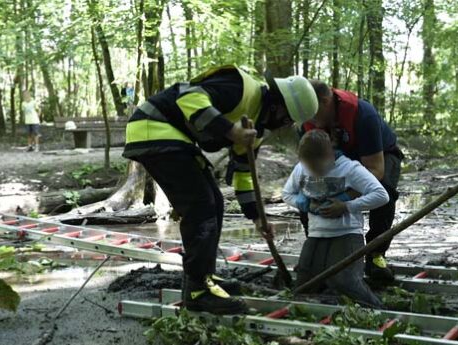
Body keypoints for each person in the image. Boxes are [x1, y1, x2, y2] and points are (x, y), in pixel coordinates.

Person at [123, 65, 318, 314]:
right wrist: (230, 130)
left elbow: (244, 174)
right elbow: (188, 97)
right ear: (279, 107)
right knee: (201, 206)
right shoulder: (240, 88)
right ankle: (198, 291)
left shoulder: (255, 128)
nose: (283, 125)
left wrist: (257, 216)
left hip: (174, 139)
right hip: (153, 127)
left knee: (215, 202)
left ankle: (204, 279)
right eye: (286, 119)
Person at [301, 80, 403, 284]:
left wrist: (345, 200)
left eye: (313, 112)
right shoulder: (306, 122)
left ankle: (375, 256)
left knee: (384, 194)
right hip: (338, 156)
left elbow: (375, 170)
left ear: (325, 101)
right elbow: (311, 167)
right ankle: (321, 254)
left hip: (379, 156)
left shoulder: (364, 115)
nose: (310, 119)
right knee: (309, 195)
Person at [282, 129, 388, 308]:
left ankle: (379, 309)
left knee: (344, 281)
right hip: (317, 234)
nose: (314, 171)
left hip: (347, 233)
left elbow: (381, 195)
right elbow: (287, 194)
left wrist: (346, 206)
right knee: (305, 284)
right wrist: (306, 204)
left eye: (319, 167)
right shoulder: (301, 168)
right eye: (310, 167)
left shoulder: (350, 168)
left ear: (329, 155)